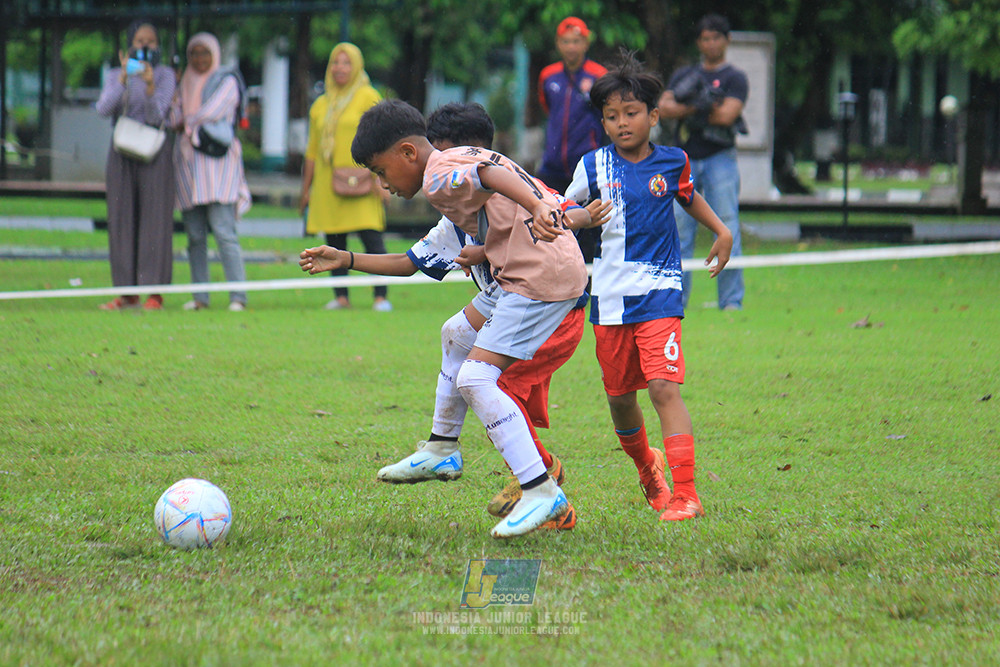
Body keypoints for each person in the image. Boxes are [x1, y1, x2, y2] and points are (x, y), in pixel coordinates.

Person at [300, 103, 609, 531]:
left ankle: (541, 491)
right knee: (457, 333)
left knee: (475, 378)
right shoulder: (456, 168)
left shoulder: (437, 172)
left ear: (408, 152)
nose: (383, 184)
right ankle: (442, 446)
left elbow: (488, 176)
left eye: (381, 170)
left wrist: (535, 206)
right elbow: (412, 262)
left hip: (539, 280)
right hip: (525, 276)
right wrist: (347, 258)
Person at [566, 51, 733, 521]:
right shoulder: (593, 166)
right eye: (612, 116)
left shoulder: (673, 161)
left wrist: (721, 230)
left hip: (660, 292)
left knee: (663, 388)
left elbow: (690, 196)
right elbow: (558, 212)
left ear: (653, 116)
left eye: (632, 113)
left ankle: (687, 496)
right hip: (611, 299)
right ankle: (647, 469)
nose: (622, 123)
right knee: (621, 401)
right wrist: (581, 216)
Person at [658, 13, 747, 311]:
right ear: (699, 42)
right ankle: (675, 303)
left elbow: (727, 115)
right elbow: (663, 107)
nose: (710, 44)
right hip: (684, 160)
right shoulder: (686, 74)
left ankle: (731, 302)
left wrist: (690, 105)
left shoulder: (735, 77)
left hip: (721, 156)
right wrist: (700, 103)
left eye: (716, 38)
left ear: (727, 40)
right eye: (705, 38)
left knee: (726, 224)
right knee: (679, 231)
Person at [299, 43, 391, 312]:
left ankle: (380, 297)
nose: (340, 68)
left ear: (357, 66)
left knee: (372, 240)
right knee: (334, 242)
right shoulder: (321, 104)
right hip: (328, 184)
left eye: (346, 62)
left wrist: (381, 178)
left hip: (365, 179)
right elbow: (312, 151)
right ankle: (341, 297)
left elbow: (382, 139)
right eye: (335, 63)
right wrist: (305, 190)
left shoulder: (368, 96)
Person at [95, 19, 175, 311]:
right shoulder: (116, 74)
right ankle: (126, 293)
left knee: (154, 223)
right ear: (129, 45)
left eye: (150, 41)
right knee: (121, 221)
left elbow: (158, 115)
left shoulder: (166, 75)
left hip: (154, 152)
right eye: (139, 41)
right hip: (121, 153)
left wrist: (151, 84)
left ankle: (154, 292)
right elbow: (103, 109)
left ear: (158, 45)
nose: (144, 46)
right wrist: (122, 81)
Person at [170, 32, 251, 312]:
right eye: (195, 53)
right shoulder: (183, 83)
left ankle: (238, 295)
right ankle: (200, 296)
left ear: (215, 54)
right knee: (194, 236)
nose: (200, 59)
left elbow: (212, 111)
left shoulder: (226, 80)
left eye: (205, 52)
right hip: (188, 168)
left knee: (224, 232)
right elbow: (172, 118)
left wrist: (187, 121)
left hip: (218, 169)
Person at [537, 16, 607, 278]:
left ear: (585, 43)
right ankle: (551, 284)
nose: (571, 47)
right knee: (550, 224)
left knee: (587, 227)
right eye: (566, 42)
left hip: (586, 166)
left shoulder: (599, 76)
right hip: (552, 166)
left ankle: (586, 287)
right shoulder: (548, 76)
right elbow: (547, 108)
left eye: (576, 41)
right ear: (558, 44)